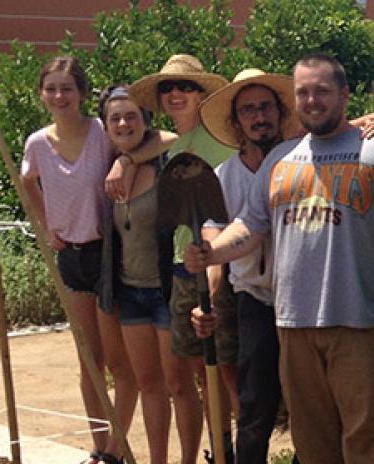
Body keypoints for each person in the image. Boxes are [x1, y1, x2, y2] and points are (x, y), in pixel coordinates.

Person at [185, 52, 374, 464]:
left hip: (360, 319)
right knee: (312, 441)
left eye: (322, 91)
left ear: (345, 94)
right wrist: (212, 252)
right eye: (304, 93)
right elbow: (250, 225)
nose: (313, 100)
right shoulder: (279, 158)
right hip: (293, 322)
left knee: (366, 437)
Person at [20, 56, 139, 464]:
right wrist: (46, 224)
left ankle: (115, 450)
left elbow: (145, 144)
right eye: (51, 88)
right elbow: (26, 181)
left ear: (82, 94)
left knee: (121, 365)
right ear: (41, 94)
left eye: (66, 88)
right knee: (90, 361)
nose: (58, 96)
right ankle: (100, 447)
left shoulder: (102, 132)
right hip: (70, 257)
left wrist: (123, 160)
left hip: (108, 255)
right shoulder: (37, 143)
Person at [129, 54, 235, 463]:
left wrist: (215, 274)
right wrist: (126, 159)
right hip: (180, 267)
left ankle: (227, 451)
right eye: (168, 88)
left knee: (222, 375)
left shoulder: (222, 142)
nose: (176, 94)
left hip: (216, 268)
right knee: (181, 377)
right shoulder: (172, 148)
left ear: (202, 94)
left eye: (186, 87)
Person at [190, 69, 298, 464]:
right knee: (254, 406)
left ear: (280, 112)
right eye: (248, 110)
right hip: (252, 298)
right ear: (236, 122)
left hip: (302, 301)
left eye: (265, 107)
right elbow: (215, 243)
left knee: (309, 404)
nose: (259, 117)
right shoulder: (223, 178)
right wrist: (209, 300)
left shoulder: (300, 160)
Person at [96, 85, 184, 464]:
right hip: (130, 292)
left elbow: (174, 136)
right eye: (114, 117)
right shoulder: (103, 165)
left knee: (178, 384)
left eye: (132, 115)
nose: (123, 123)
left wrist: (129, 161)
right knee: (148, 383)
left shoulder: (163, 161)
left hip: (166, 290)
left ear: (146, 121)